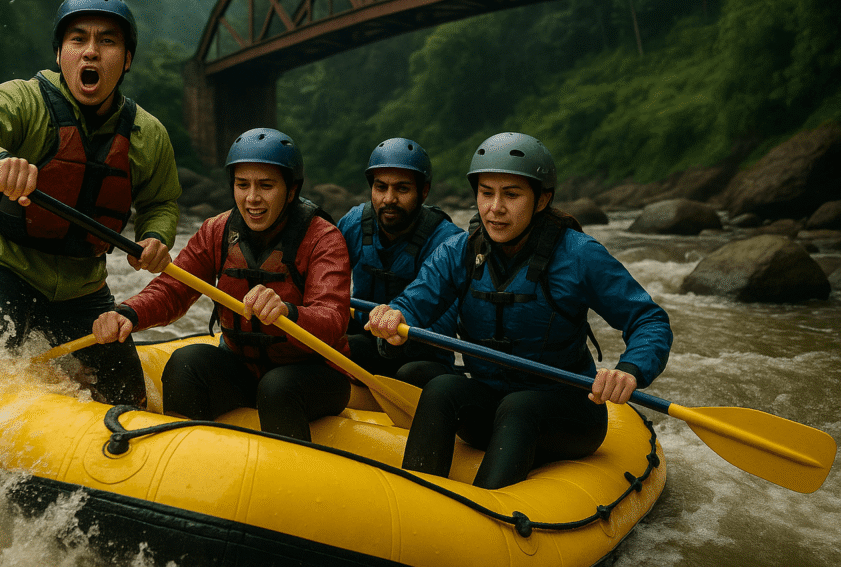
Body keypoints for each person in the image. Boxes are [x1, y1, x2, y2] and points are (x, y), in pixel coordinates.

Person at [364, 132, 672, 489]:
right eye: (486, 193)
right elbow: (415, 301)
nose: (495, 208)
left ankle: (487, 509)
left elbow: (649, 320)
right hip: (491, 404)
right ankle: (414, 493)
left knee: (520, 407)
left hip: (568, 414)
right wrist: (395, 315)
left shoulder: (579, 255)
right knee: (443, 388)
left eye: (511, 195)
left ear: (542, 199)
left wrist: (629, 370)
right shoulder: (460, 251)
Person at [0, 0, 181, 409]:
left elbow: (160, 202)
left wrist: (156, 236)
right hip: (1, 267)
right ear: (59, 54)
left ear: (126, 59)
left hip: (82, 291)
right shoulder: (24, 100)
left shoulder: (148, 134)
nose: (91, 51)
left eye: (107, 41)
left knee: (129, 399)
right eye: (78, 39)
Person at [92, 128, 352, 442]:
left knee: (277, 387)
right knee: (186, 364)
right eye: (242, 185)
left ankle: (288, 466)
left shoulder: (323, 239)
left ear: (291, 190)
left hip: (312, 374)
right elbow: (174, 288)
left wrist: (288, 312)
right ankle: (183, 455)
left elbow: (333, 319)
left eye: (266, 185)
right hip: (244, 367)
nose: (252, 198)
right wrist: (127, 314)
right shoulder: (217, 231)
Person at [336, 138, 464, 386]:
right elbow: (326, 285)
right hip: (367, 340)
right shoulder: (353, 223)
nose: (389, 199)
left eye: (402, 189)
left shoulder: (448, 241)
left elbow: (446, 322)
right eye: (381, 187)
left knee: (410, 372)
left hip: (422, 354)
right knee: (344, 346)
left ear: (423, 192)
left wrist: (397, 330)